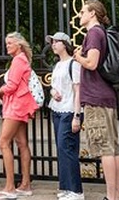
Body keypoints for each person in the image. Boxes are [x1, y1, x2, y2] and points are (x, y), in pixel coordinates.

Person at [73, 0, 119, 200]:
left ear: (92, 13)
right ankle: (118, 196)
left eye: (82, 11)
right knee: (113, 148)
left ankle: (111, 197)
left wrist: (78, 57)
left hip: (96, 97)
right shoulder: (101, 32)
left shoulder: (93, 33)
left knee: (105, 149)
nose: (79, 15)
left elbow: (92, 63)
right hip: (105, 96)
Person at [0, 32, 38, 200]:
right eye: (6, 43)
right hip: (22, 104)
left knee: (3, 142)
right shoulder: (23, 59)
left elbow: (12, 85)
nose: (7, 45)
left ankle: (10, 187)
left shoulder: (18, 60)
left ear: (18, 45)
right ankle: (25, 185)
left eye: (10, 43)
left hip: (16, 105)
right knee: (22, 143)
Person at [46, 32, 83, 200]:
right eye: (52, 42)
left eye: (56, 42)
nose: (53, 44)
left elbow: (78, 90)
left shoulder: (73, 64)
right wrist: (53, 92)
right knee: (61, 149)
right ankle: (66, 187)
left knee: (67, 148)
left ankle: (76, 190)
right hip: (57, 109)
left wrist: (77, 115)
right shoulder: (57, 65)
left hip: (69, 110)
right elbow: (53, 87)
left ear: (65, 44)